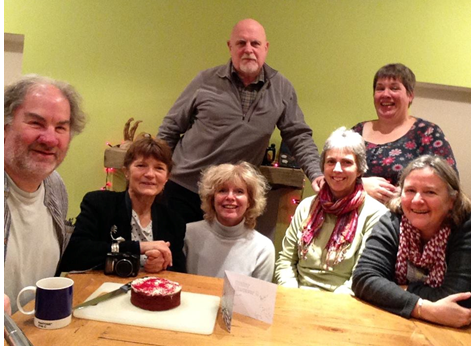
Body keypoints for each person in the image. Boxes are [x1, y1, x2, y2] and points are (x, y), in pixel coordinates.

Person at [158, 18, 322, 223]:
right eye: (241, 43)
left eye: (255, 43)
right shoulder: (205, 80)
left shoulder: (282, 88)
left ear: (266, 48)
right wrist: (156, 171)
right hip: (184, 189)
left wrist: (316, 173)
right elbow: (170, 129)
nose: (248, 49)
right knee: (173, 254)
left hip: (232, 199)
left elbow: (298, 136)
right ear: (230, 47)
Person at [352, 155, 471, 328]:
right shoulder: (392, 221)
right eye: (410, 191)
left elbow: (459, 300)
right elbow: (364, 278)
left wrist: (400, 289)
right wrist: (423, 308)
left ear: (451, 201)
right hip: (398, 325)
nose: (417, 200)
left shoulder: (465, 227)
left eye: (430, 192)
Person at [4, 74, 86, 313]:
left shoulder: (55, 186)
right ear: (5, 125)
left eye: (61, 127)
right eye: (36, 123)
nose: (50, 139)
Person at [275, 127, 387, 294]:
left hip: (344, 302)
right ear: (323, 166)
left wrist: (327, 306)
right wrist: (293, 296)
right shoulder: (306, 206)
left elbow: (362, 276)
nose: (337, 169)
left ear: (360, 170)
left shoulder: (375, 214)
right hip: (296, 296)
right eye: (331, 161)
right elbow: (285, 262)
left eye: (347, 162)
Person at [60, 137, 186, 274]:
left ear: (167, 177)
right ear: (126, 171)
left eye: (159, 168)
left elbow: (179, 271)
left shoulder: (174, 221)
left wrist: (162, 265)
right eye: (141, 165)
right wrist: (138, 247)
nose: (150, 174)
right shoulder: (100, 203)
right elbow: (75, 254)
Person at [351, 63, 457, 204]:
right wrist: (359, 185)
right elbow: (332, 176)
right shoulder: (356, 132)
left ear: (410, 95)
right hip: (355, 220)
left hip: (407, 220)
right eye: (380, 88)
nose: (385, 94)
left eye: (394, 88)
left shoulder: (427, 133)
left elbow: (449, 184)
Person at [184, 162, 275, 281]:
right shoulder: (187, 234)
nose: (230, 197)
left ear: (249, 202)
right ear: (212, 199)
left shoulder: (263, 248)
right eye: (222, 190)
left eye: (239, 191)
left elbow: (258, 299)